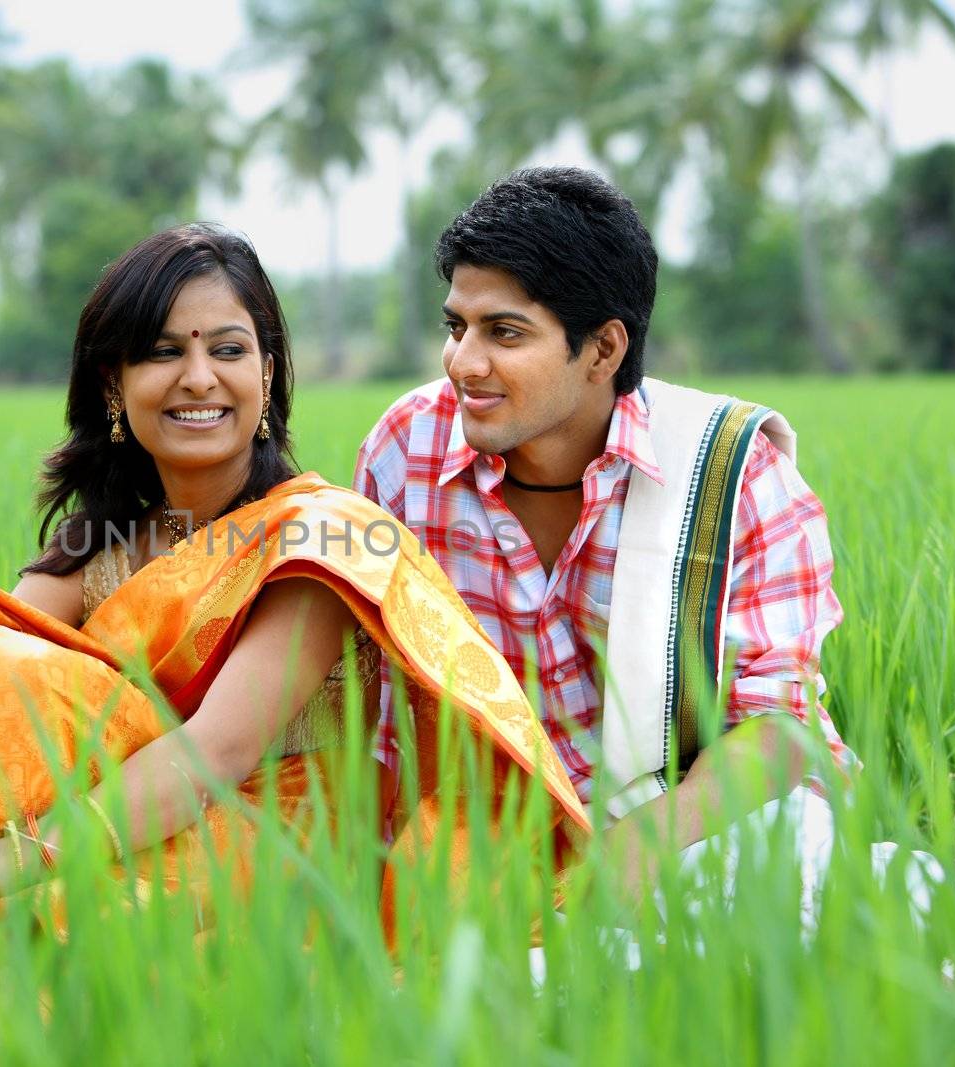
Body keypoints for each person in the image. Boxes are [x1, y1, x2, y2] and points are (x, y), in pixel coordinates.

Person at [0, 223, 589, 934]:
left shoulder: (317, 541)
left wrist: (7, 861)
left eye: (229, 349)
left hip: (269, 851)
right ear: (115, 384)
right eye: (163, 350)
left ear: (268, 376)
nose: (199, 377)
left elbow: (217, 752)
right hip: (113, 830)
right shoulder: (101, 543)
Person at [354, 167, 856, 911]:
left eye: (505, 332)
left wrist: (624, 859)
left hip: (698, 828)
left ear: (603, 350)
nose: (463, 362)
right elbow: (376, 702)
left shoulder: (731, 470)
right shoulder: (405, 450)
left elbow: (777, 729)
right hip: (489, 847)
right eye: (456, 327)